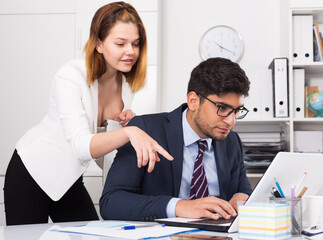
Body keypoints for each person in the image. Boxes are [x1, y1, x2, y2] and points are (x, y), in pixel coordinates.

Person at [4, 1, 173, 226]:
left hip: (69, 179)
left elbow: (101, 160)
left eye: (135, 43)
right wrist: (129, 133)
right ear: (99, 44)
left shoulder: (125, 85)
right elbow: (81, 146)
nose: (130, 51)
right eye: (120, 43)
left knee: (92, 234)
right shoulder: (70, 75)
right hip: (32, 172)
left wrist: (118, 128)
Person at [100, 57, 252, 221]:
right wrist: (180, 206)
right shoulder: (144, 129)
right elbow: (111, 202)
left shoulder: (231, 140)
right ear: (193, 101)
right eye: (222, 108)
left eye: (237, 111)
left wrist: (242, 198)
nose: (231, 121)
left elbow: (243, 191)